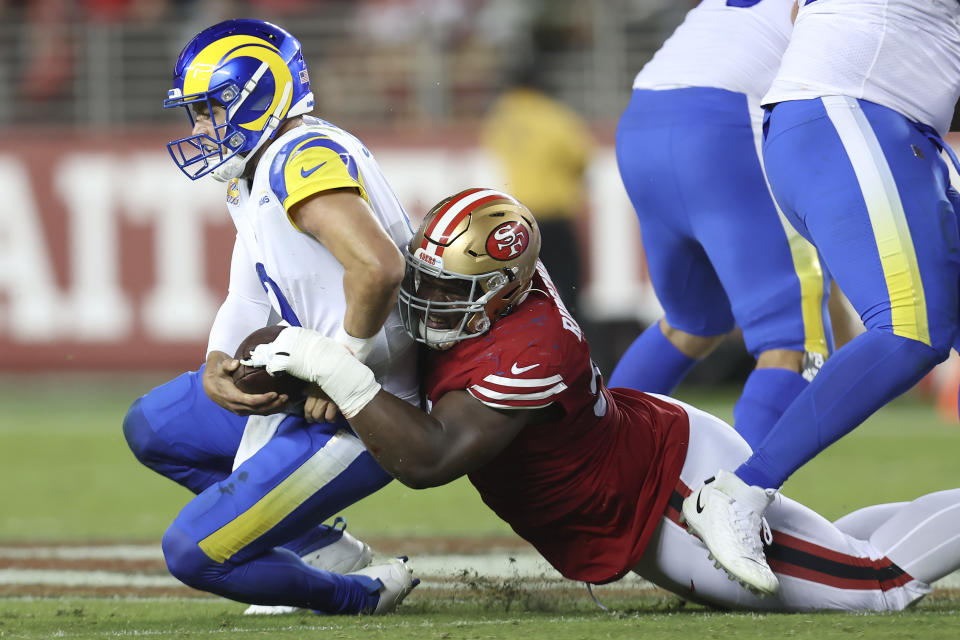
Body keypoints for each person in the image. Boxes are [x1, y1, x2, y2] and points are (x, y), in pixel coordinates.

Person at [244, 188, 960, 612]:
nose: (430, 303)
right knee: (837, 549)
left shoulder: (532, 347)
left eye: (452, 291)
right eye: (427, 282)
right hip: (649, 468)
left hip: (671, 493)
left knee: (877, 587)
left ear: (506, 288)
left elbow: (430, 459)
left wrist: (330, 369)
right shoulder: (494, 295)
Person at [121, 19, 419, 615]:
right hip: (311, 385)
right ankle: (320, 548)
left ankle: (359, 596)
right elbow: (252, 291)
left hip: (368, 411)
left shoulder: (301, 155)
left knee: (194, 552)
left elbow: (379, 268)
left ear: (256, 93)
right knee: (153, 426)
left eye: (209, 110)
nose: (200, 127)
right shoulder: (258, 167)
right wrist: (215, 359)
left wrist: (345, 371)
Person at [680, 0, 960, 596]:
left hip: (878, 123)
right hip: (853, 114)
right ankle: (736, 492)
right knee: (912, 327)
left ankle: (843, 535)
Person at [610, 0, 832, 449]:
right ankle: (729, 502)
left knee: (693, 321)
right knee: (797, 343)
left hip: (643, 117)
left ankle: (589, 465)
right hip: (723, 124)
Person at [481, 63, 592, 314]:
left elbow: (494, 146)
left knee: (524, 291)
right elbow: (581, 159)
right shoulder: (554, 115)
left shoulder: (501, 115)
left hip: (518, 217)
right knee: (570, 289)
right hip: (554, 215)